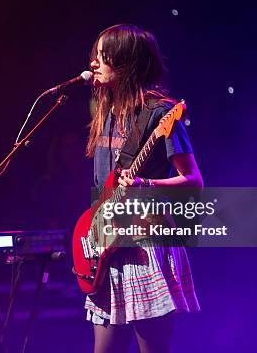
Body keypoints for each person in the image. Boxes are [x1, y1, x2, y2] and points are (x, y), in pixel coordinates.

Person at [84, 24, 202, 353]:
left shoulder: (159, 114)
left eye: (104, 55)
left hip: (146, 244)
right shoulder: (104, 115)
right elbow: (102, 189)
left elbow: (193, 182)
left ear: (128, 62)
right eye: (95, 54)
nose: (94, 62)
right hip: (108, 245)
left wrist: (144, 184)